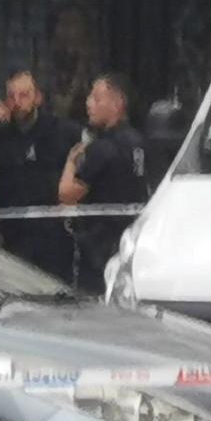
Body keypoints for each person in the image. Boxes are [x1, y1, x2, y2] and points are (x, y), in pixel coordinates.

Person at [0, 69, 78, 284]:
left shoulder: (61, 131)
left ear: (38, 97)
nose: (17, 102)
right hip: (13, 236)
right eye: (12, 96)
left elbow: (90, 150)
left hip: (53, 237)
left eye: (24, 95)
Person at [60, 72, 148, 292]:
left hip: (99, 249)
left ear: (117, 104)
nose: (89, 104)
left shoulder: (102, 148)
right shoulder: (140, 143)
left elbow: (67, 194)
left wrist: (71, 162)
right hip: (131, 247)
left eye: (97, 99)